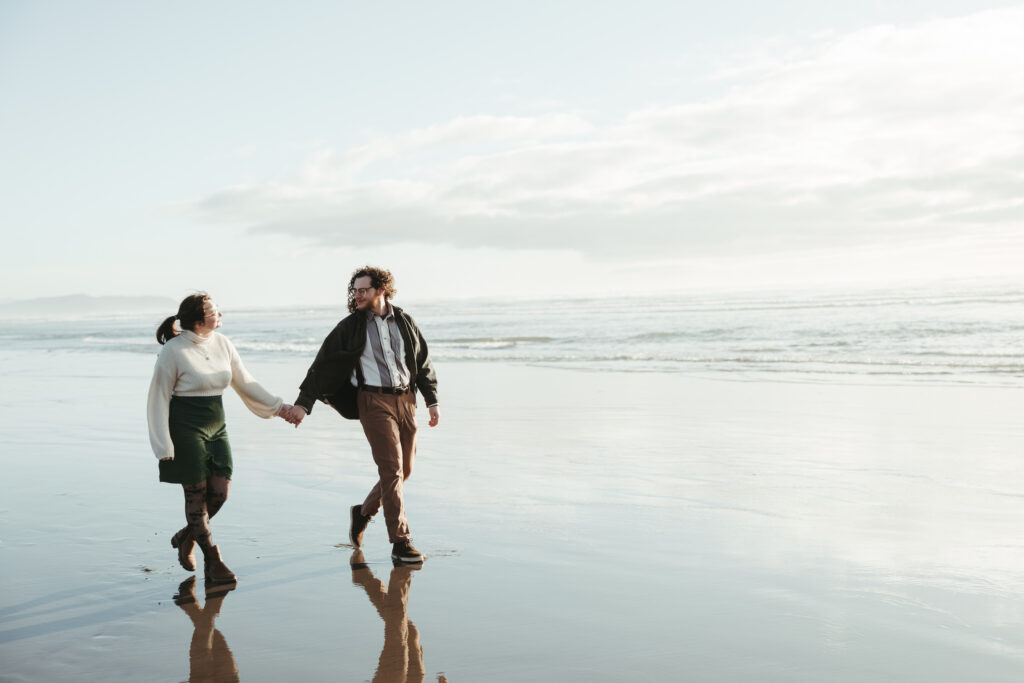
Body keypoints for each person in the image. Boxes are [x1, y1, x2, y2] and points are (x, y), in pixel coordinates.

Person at [287, 266, 439, 564]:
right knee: (392, 470)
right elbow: (322, 365)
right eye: (354, 290)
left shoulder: (405, 322)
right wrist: (303, 404)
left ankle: (363, 511)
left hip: (407, 401)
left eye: (363, 289)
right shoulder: (350, 327)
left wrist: (431, 399)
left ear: (380, 290)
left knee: (404, 471)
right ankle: (401, 542)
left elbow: (422, 361)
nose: (356, 295)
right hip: (373, 402)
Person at [147, 293, 301, 583]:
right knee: (196, 494)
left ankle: (186, 536)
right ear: (198, 319)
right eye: (214, 311)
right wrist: (162, 444)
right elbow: (158, 397)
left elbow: (245, 382)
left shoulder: (223, 344)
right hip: (185, 428)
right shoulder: (173, 350)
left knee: (220, 493)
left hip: (216, 426)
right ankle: (213, 561)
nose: (220, 315)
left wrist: (281, 408)